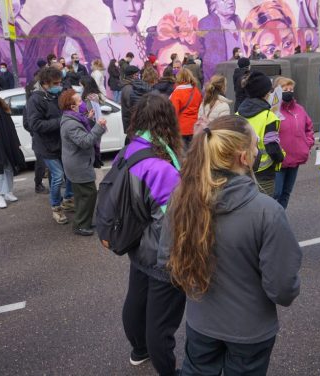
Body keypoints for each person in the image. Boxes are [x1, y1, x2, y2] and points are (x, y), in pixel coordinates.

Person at [159, 115, 302, 375]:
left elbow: (167, 260)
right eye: (255, 145)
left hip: (201, 320)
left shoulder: (181, 198)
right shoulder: (267, 212)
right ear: (244, 157)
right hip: (250, 328)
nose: (258, 150)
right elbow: (283, 289)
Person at [116, 92, 185, 376]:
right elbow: (175, 218)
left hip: (137, 242)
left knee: (136, 299)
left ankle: (138, 349)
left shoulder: (130, 150)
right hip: (161, 251)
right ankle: (167, 370)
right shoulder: (162, 167)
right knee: (161, 323)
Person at [27, 67, 74, 224]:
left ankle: (68, 199)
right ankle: (56, 207)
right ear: (45, 83)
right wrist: (60, 122)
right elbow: (34, 124)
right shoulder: (35, 99)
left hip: (62, 143)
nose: (59, 85)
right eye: (55, 83)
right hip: (46, 146)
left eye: (60, 82)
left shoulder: (58, 95)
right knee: (57, 176)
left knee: (70, 173)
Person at [59, 89, 107, 236]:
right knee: (89, 194)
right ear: (72, 107)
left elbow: (83, 127)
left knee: (82, 195)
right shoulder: (71, 124)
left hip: (77, 163)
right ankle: (80, 225)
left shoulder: (73, 118)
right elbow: (85, 142)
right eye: (79, 101)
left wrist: (89, 118)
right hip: (78, 165)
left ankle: (83, 222)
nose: (83, 104)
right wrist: (99, 127)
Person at [236, 71, 284, 196]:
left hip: (242, 168)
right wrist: (281, 158)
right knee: (265, 208)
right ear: (265, 93)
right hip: (264, 171)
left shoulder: (237, 115)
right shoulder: (269, 117)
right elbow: (272, 148)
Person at [272, 77, 314, 209]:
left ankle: (280, 220)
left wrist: (307, 143)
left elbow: (309, 128)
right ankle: (271, 222)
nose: (289, 92)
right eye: (285, 89)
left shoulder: (300, 109)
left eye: (291, 89)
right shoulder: (273, 111)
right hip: (278, 159)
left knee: (286, 193)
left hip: (296, 157)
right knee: (276, 193)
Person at [198, 0, 243, 79]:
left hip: (238, 74)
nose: (231, 2)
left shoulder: (237, 20)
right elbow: (209, 60)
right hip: (220, 78)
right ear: (213, 3)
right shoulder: (207, 23)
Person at [169, 68, 203, 146]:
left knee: (183, 154)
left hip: (181, 128)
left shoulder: (177, 93)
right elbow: (200, 107)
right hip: (195, 127)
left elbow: (174, 112)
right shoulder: (196, 91)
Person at [120, 65, 150, 135]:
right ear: (134, 75)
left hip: (133, 124)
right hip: (133, 124)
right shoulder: (129, 88)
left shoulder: (130, 86)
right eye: (138, 74)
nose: (139, 76)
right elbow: (132, 106)